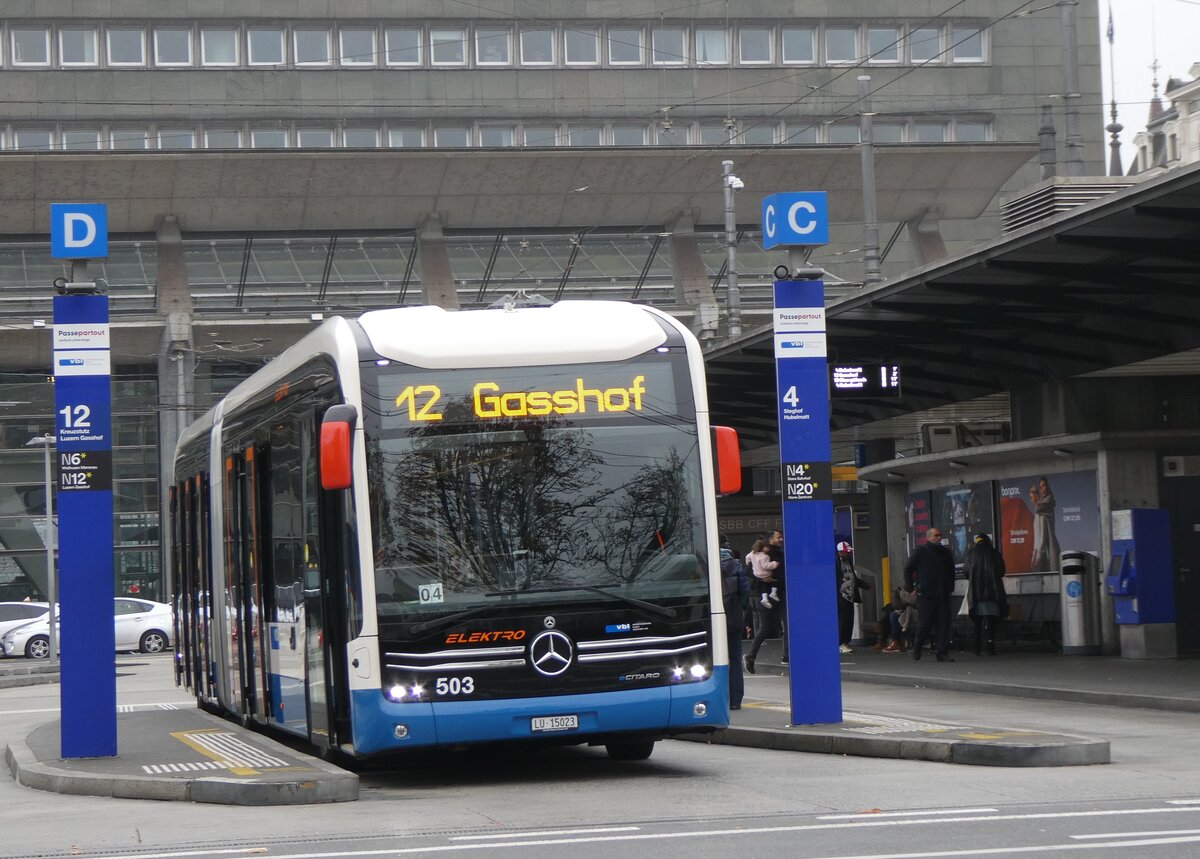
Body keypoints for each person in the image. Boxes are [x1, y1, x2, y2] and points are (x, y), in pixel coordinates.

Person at [902, 526, 956, 662]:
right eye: (935, 535)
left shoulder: (945, 553)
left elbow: (951, 571)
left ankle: (942, 652)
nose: (939, 537)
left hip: (942, 594)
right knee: (924, 623)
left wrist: (950, 586)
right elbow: (908, 569)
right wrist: (910, 588)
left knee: (943, 624)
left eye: (939, 535)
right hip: (926, 594)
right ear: (929, 537)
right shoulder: (921, 552)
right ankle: (917, 645)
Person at [964, 532, 1008, 656]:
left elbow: (966, 572)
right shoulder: (994, 553)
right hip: (992, 593)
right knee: (991, 621)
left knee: (977, 622)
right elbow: (1002, 571)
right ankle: (990, 648)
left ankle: (976, 648)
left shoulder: (970, 554)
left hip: (976, 594)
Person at [719, 535, 749, 709]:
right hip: (734, 618)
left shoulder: (705, 563)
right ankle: (736, 700)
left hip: (713, 620)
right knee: (735, 660)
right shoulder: (736, 565)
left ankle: (719, 698)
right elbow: (745, 593)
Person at [836, 541, 870, 654]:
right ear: (840, 552)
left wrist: (864, 585)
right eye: (846, 552)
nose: (848, 554)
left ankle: (845, 641)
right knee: (842, 620)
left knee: (849, 619)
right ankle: (840, 642)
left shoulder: (847, 562)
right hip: (841, 595)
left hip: (850, 595)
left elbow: (852, 577)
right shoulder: (835, 563)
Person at [766, 529, 788, 666]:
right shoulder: (769, 554)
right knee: (783, 624)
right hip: (775, 593)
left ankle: (787, 654)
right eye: (778, 537)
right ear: (770, 539)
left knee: (767, 626)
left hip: (774, 593)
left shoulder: (777, 553)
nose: (781, 539)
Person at [1032, 477, 1061, 571]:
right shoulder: (1038, 516)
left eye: (1044, 486)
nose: (1042, 489)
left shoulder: (1047, 506)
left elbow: (1043, 538)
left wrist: (1037, 557)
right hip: (1043, 553)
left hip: (1048, 551)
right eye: (1040, 487)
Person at [745, 539, 779, 608]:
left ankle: (764, 598)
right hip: (765, 573)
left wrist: (748, 562)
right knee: (775, 580)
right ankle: (773, 593)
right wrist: (775, 563)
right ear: (763, 548)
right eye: (767, 547)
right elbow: (766, 566)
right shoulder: (764, 556)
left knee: (764, 586)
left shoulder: (752, 554)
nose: (769, 548)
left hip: (756, 573)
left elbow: (747, 558)